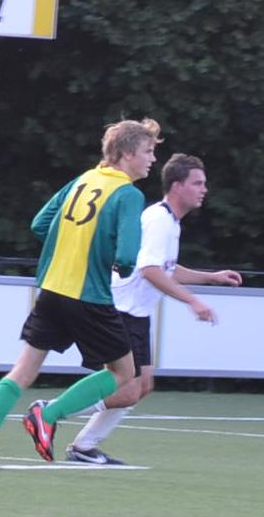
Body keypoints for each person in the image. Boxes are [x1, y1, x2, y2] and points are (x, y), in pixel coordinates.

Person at [0, 118, 158, 468]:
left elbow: (40, 223)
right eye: (148, 151)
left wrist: (70, 244)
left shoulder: (82, 180)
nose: (152, 159)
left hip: (52, 289)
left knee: (23, 370)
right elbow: (128, 256)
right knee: (124, 373)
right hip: (89, 296)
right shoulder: (129, 194)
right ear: (128, 153)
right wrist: (121, 265)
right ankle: (49, 414)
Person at [66, 153, 241, 464]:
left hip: (136, 315)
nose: (204, 189)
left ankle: (83, 447)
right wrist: (192, 300)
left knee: (143, 385)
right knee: (128, 389)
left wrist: (211, 277)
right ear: (177, 186)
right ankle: (49, 412)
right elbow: (150, 271)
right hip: (121, 311)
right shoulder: (159, 220)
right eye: (197, 183)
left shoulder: (169, 222)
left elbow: (166, 269)